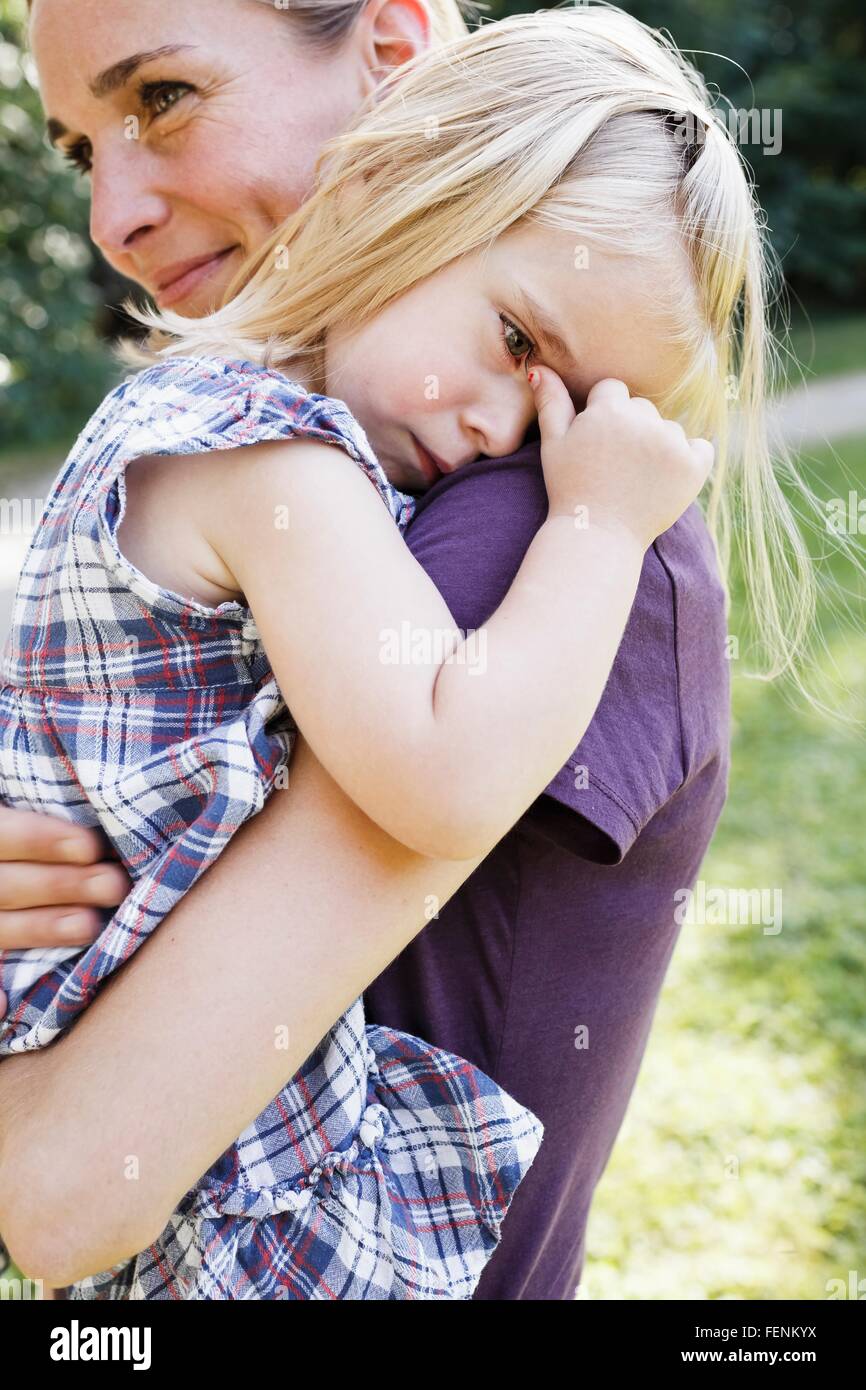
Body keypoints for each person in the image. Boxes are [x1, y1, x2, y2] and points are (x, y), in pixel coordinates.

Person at [0, 0, 802, 1298]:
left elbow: (62, 1185)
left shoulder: (249, 441)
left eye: (160, 98)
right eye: (517, 343)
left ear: (391, 49)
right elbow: (439, 769)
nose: (511, 430)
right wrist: (594, 521)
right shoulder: (281, 454)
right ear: (392, 183)